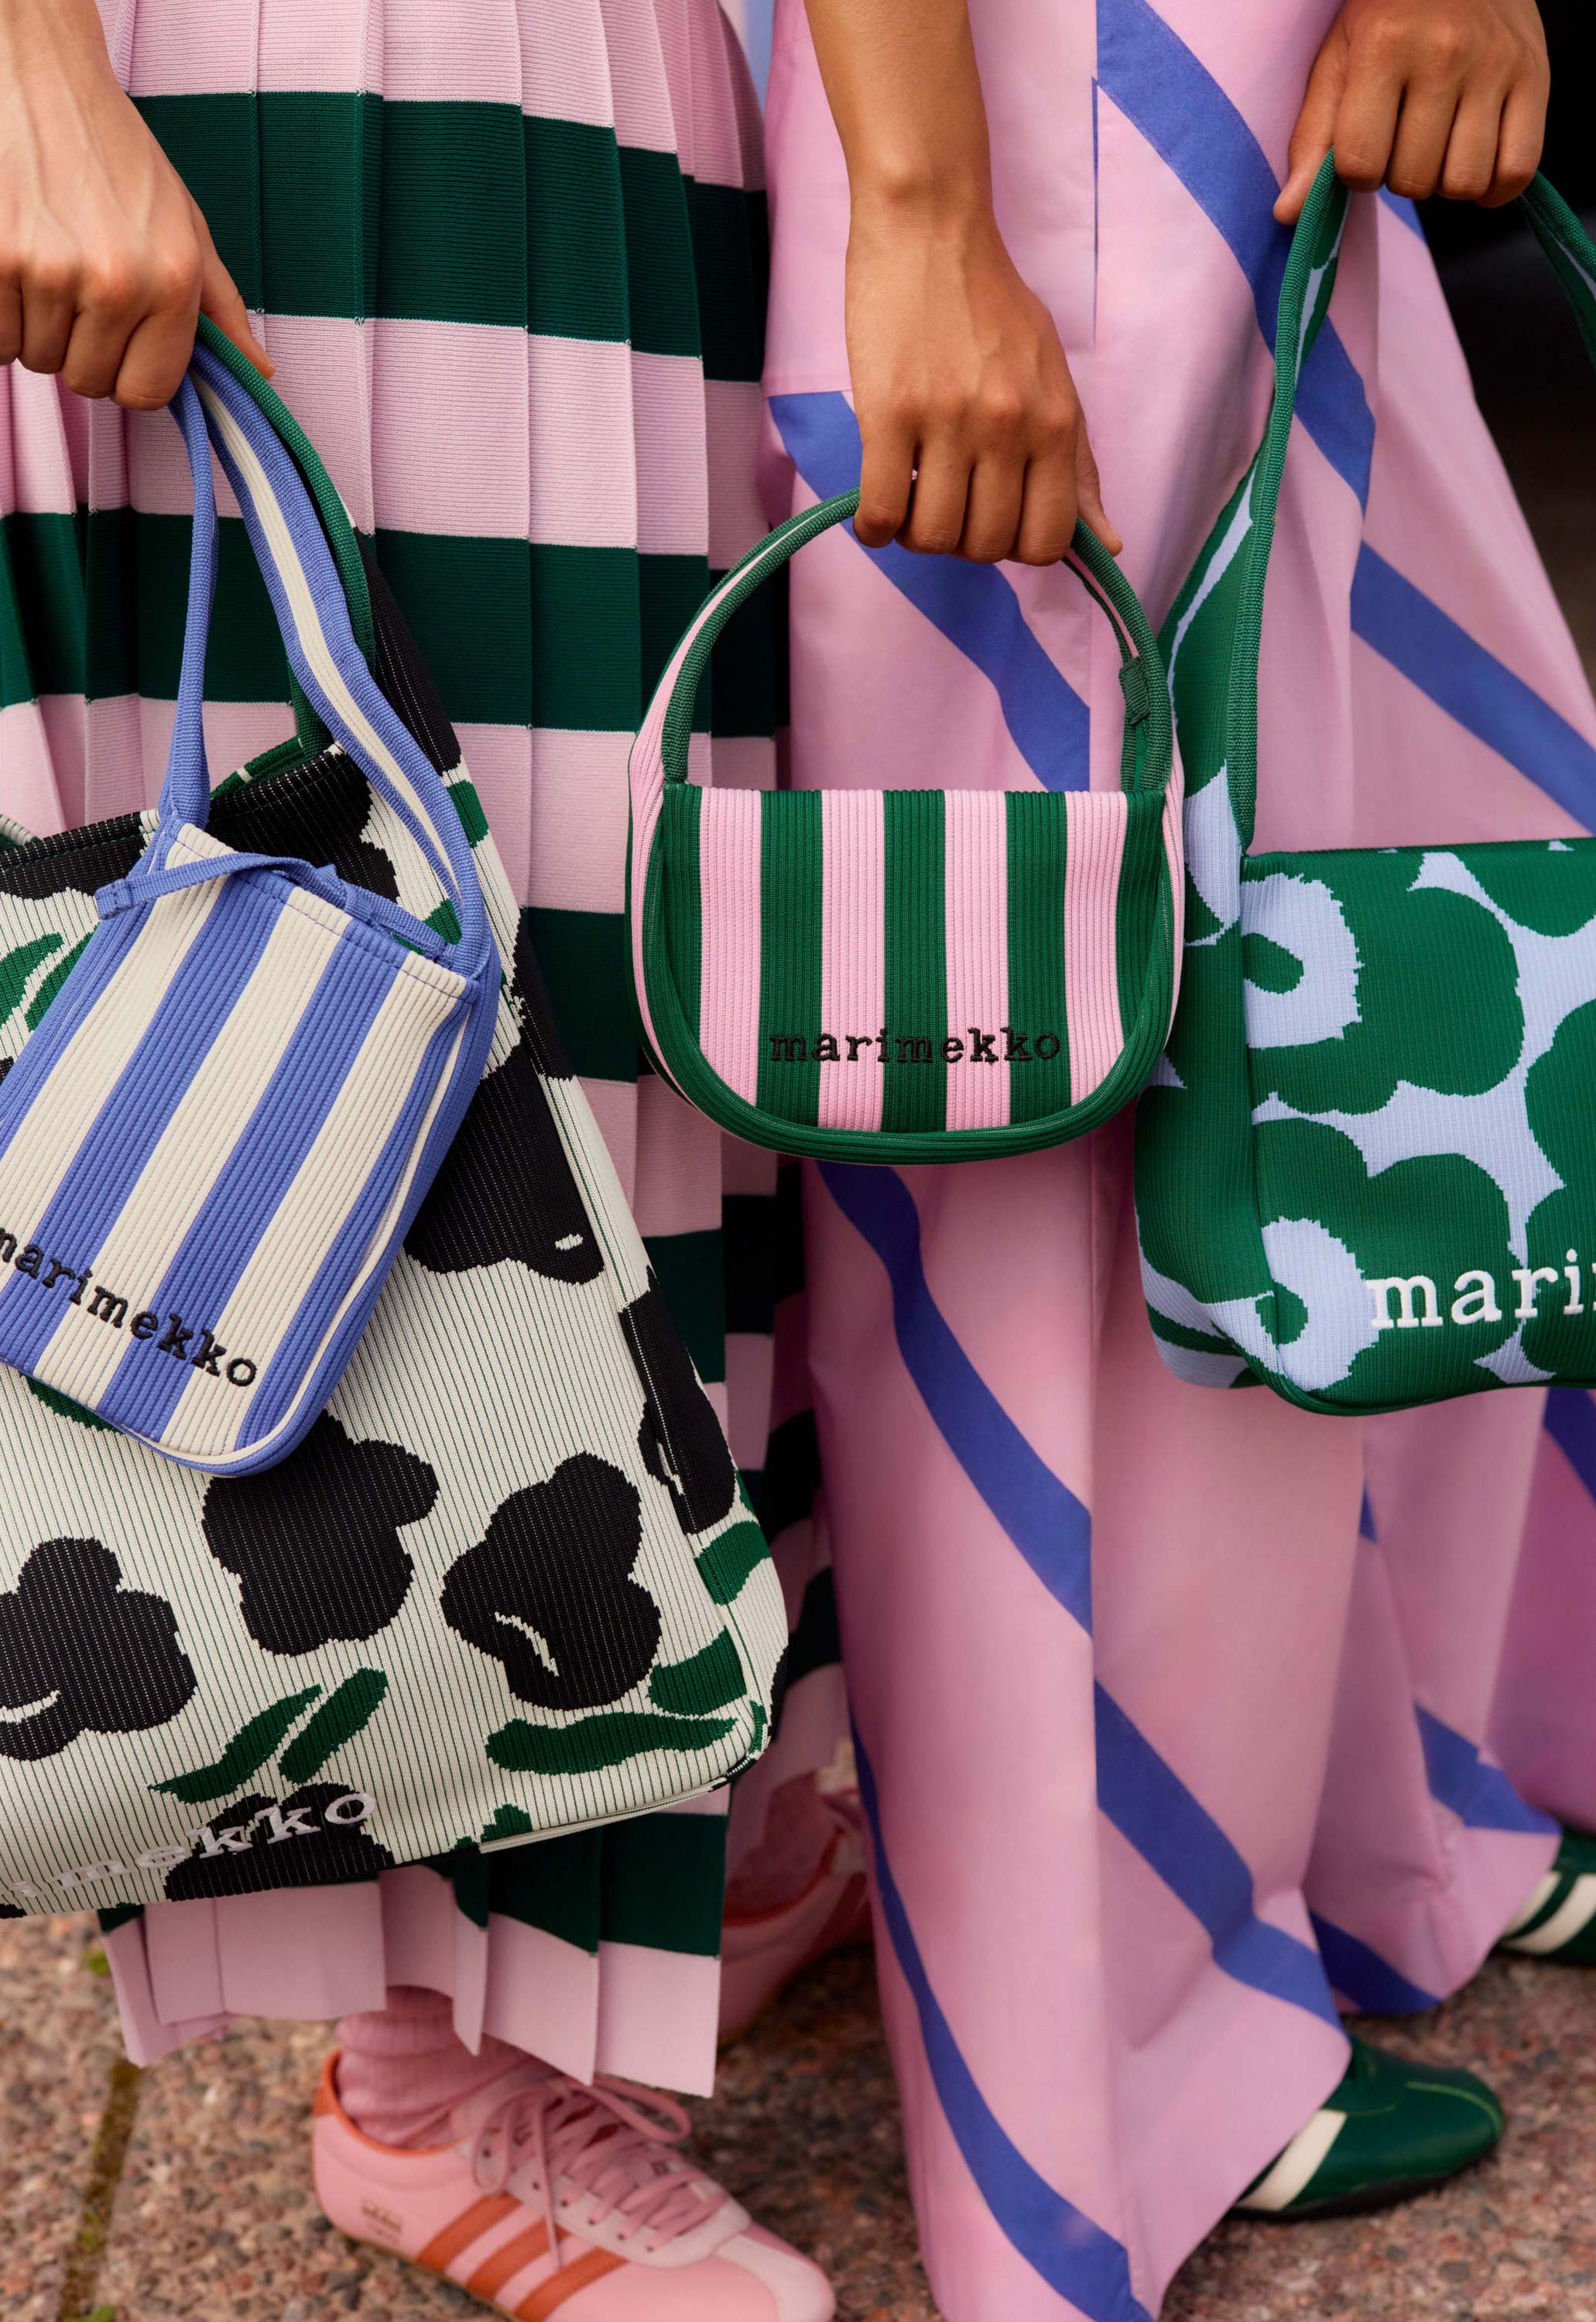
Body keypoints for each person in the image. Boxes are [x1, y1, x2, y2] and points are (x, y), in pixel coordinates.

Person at [749, 0, 1596, 2313]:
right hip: (1021, 92)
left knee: (1355, 922)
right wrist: (917, 209)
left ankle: (1366, 1813)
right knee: (1055, 1061)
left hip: (1216, 83)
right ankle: (1110, 2045)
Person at [0, 2, 837, 2317]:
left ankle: (671, 1841)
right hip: (252, 73)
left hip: (616, 100)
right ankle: (426, 2067)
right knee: (308, 1070)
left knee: (603, 1010)